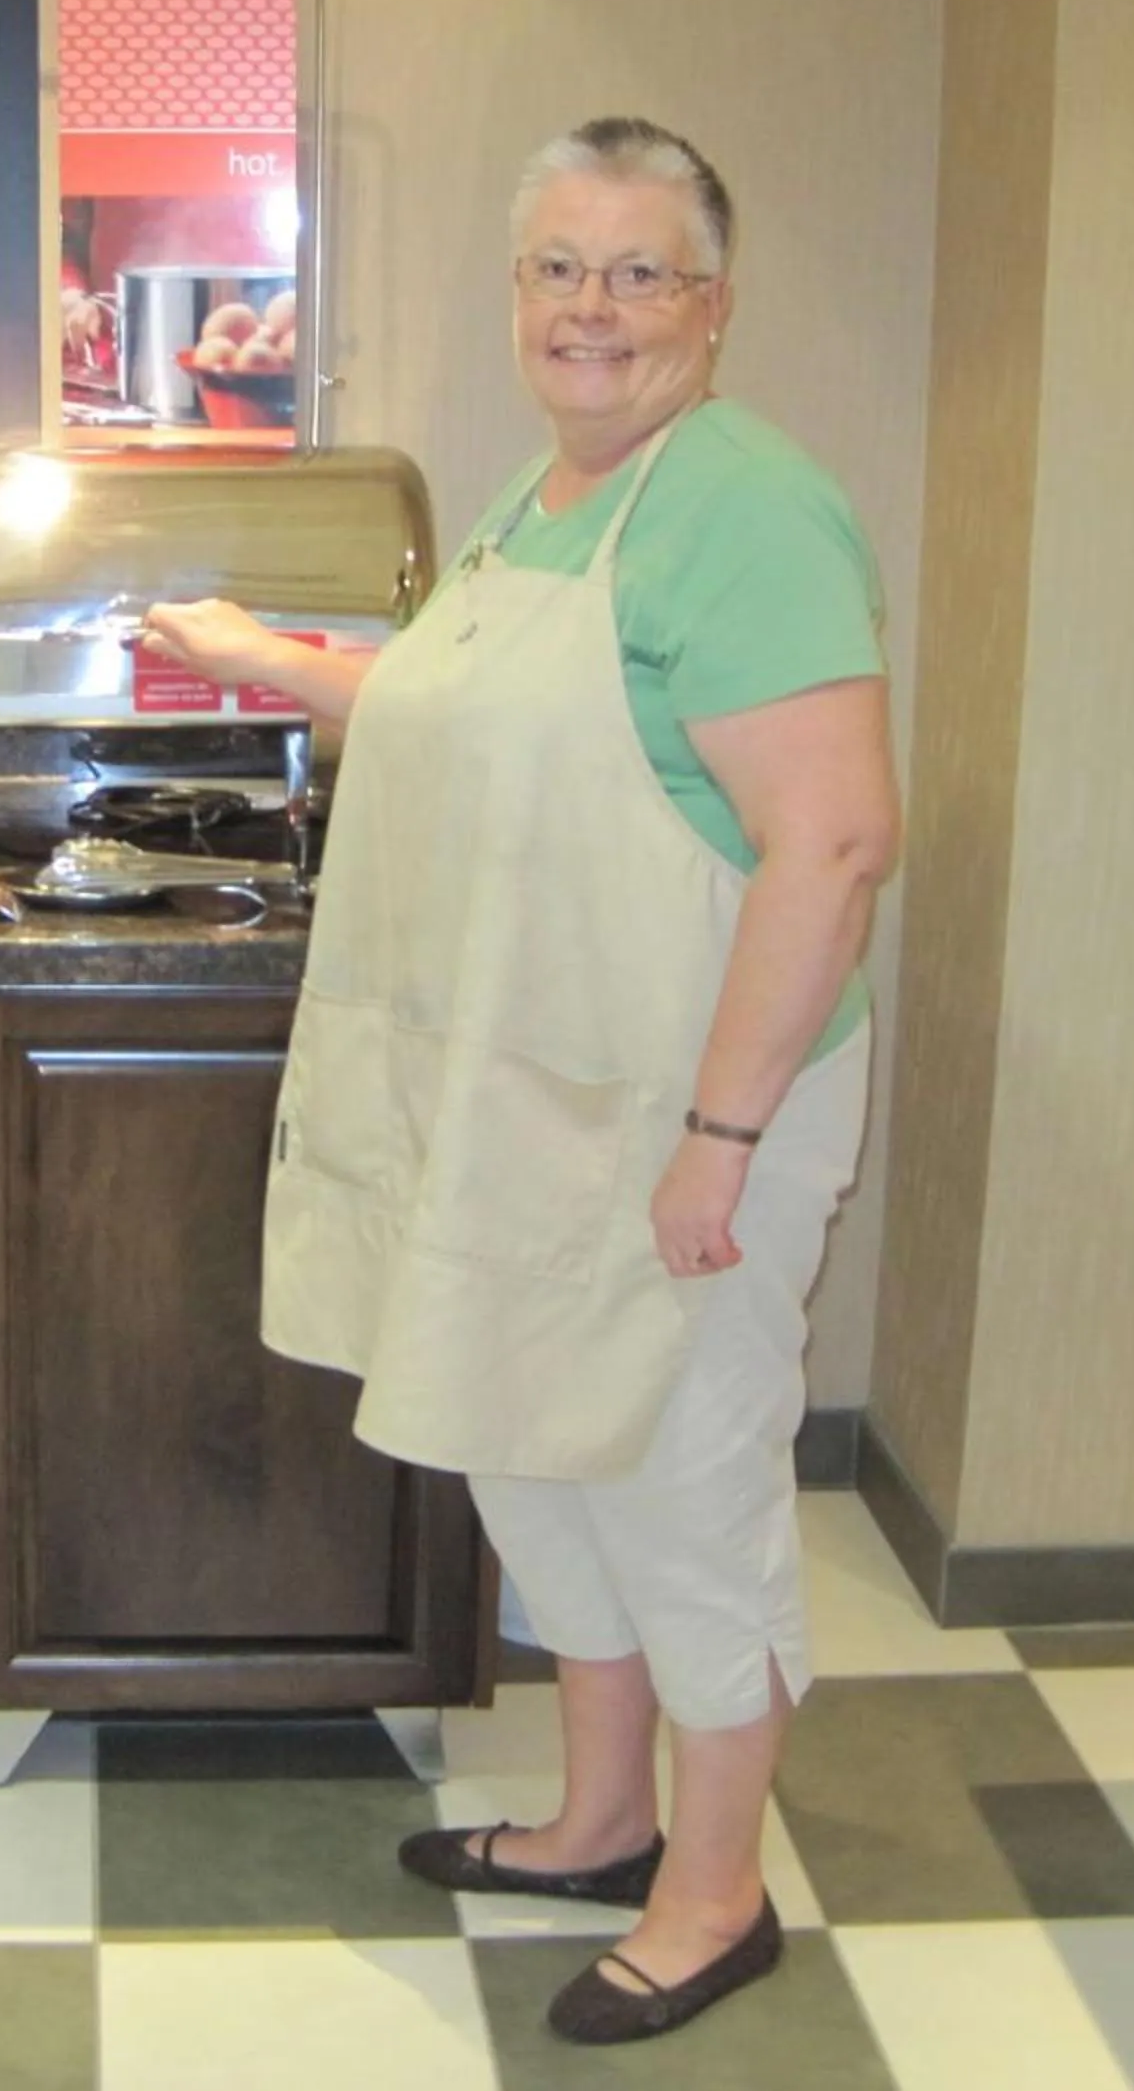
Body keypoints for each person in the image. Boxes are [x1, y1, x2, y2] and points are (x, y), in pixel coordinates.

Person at [140, 116, 897, 2048]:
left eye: (640, 272)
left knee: (683, 1485)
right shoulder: (546, 499)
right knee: (543, 1455)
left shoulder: (746, 507)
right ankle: (601, 1815)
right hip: (543, 1094)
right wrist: (254, 652)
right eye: (559, 267)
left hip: (688, 1110)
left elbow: (831, 846)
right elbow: (451, 704)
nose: (592, 307)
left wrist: (722, 1139)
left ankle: (715, 1892)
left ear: (713, 307)